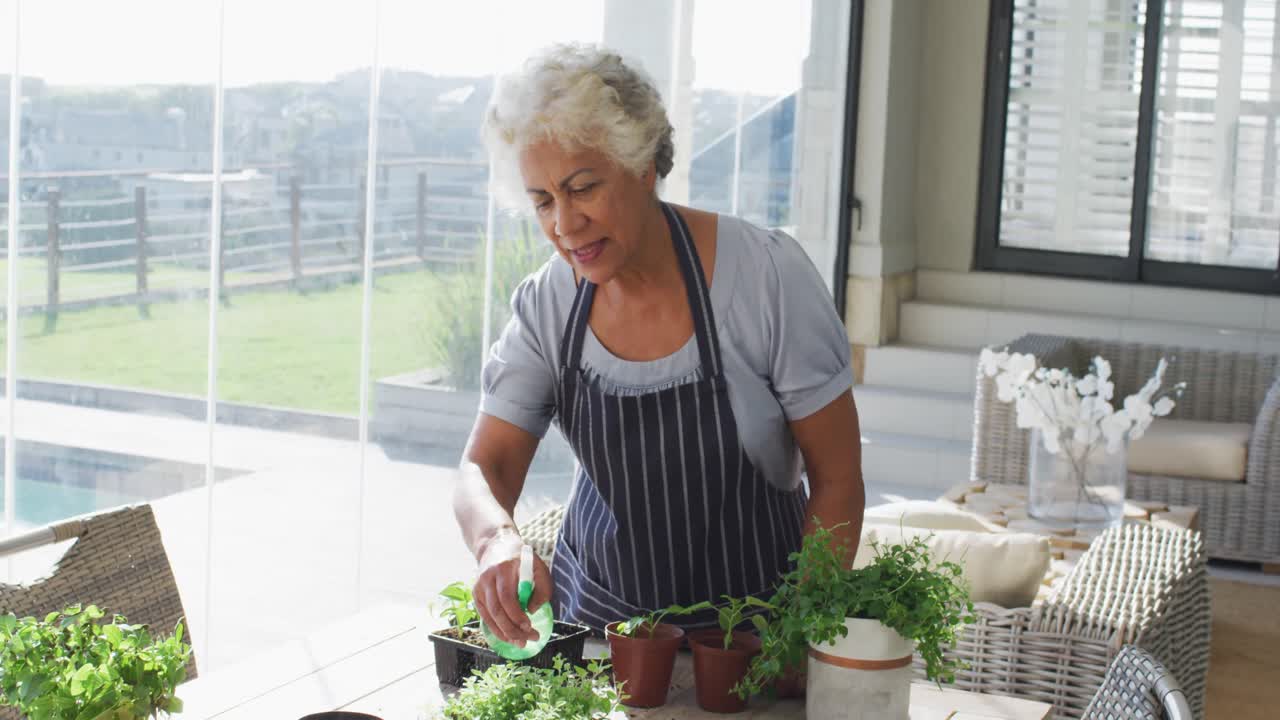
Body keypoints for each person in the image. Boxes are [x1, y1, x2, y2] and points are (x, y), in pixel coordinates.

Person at [453, 43, 863, 648]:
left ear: (643, 165)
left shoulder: (766, 278)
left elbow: (838, 478)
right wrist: (496, 541)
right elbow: (484, 466)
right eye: (542, 201)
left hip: (756, 644)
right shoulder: (549, 304)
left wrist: (802, 636)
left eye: (582, 188)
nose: (564, 225)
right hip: (600, 636)